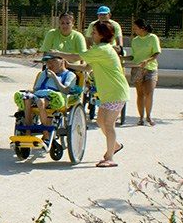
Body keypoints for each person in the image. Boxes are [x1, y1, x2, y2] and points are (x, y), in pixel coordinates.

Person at [54, 20, 129, 168]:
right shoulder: (99, 49)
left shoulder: (102, 49)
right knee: (101, 121)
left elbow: (77, 56)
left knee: (108, 124)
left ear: (102, 35)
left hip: (116, 92)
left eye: (94, 32)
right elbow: (87, 67)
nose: (91, 34)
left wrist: (58, 54)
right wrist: (68, 65)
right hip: (108, 93)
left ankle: (110, 157)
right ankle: (115, 145)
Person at [15, 55, 77, 143]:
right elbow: (36, 88)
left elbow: (65, 90)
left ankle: (46, 134)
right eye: (47, 62)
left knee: (41, 102)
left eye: (52, 61)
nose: (49, 64)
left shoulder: (69, 75)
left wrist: (54, 77)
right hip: (40, 94)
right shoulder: (44, 73)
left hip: (55, 96)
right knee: (27, 99)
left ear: (62, 61)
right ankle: (28, 132)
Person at [129, 19, 161, 126]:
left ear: (142, 28)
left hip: (150, 68)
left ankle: (149, 116)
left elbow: (156, 53)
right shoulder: (135, 40)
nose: (134, 30)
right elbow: (134, 56)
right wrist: (123, 58)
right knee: (139, 94)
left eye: (135, 28)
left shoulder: (153, 38)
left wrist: (147, 60)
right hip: (137, 68)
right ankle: (141, 118)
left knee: (149, 92)